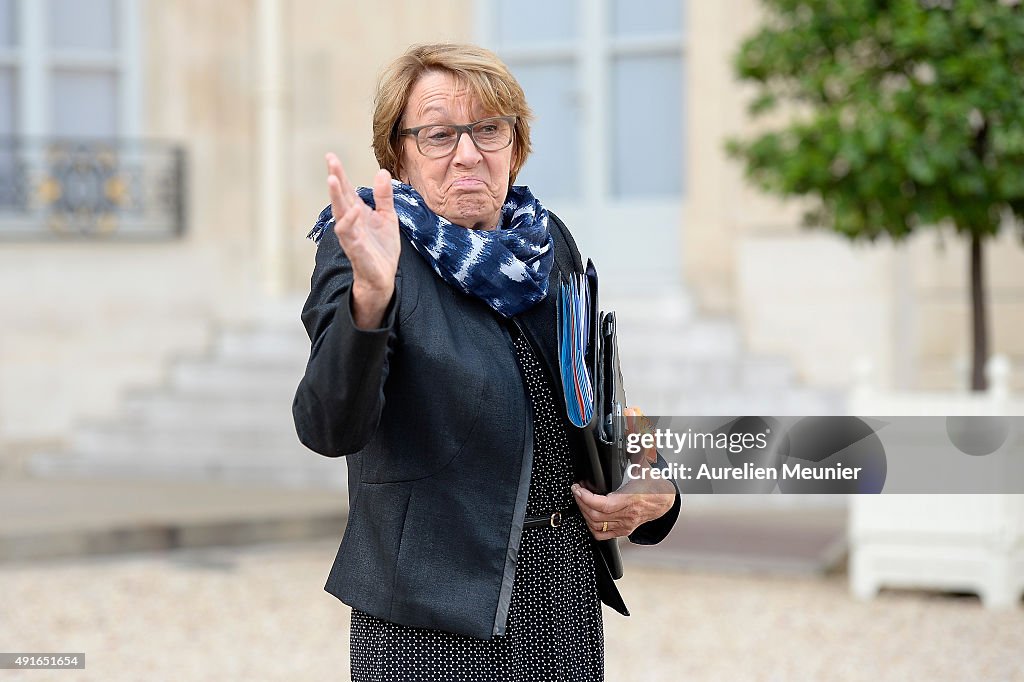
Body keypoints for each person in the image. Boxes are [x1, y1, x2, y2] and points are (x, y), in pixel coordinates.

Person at [293, 43, 681, 682]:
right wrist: (372, 294)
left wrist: (653, 485)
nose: (468, 154)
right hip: (431, 616)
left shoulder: (547, 241)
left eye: (488, 130)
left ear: (516, 146)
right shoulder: (370, 250)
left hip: (563, 599)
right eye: (439, 135)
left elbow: (599, 400)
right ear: (400, 156)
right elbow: (330, 426)